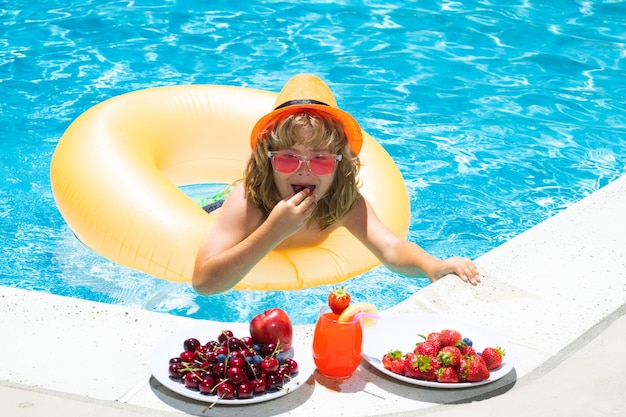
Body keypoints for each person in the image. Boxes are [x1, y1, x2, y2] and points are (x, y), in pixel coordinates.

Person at [193, 74, 480, 294]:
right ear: (268, 162)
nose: (304, 171)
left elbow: (391, 248)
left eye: (320, 159)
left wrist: (433, 265)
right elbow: (204, 282)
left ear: (339, 163)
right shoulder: (250, 200)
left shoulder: (344, 203)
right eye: (288, 159)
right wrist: (273, 231)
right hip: (215, 208)